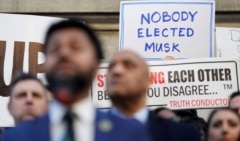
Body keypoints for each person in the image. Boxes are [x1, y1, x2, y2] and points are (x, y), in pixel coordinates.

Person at [3, 20, 148, 141]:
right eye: (55, 48)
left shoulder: (132, 133)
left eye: (76, 47)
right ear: (45, 65)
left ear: (96, 65)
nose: (64, 53)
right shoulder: (14, 137)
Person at [106, 50, 201, 141]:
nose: (117, 71)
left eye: (128, 65)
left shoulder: (184, 135)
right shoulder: (92, 128)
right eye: (111, 67)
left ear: (148, 81)